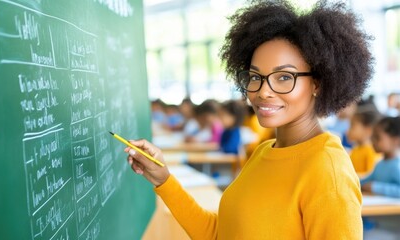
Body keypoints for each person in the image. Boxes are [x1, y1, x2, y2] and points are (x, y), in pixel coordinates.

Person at [125, 1, 372, 239]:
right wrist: (164, 180)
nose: (262, 91)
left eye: (284, 77)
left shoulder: (328, 170)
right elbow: (219, 234)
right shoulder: (264, 151)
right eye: (255, 77)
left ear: (317, 82)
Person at [361, 116, 400, 198]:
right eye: (372, 137)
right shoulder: (380, 164)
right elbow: (367, 180)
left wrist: (375, 187)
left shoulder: (396, 166)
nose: (372, 141)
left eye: (377, 137)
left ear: (396, 140)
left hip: (392, 210)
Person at [347, 107, 381, 175]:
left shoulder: (372, 152)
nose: (348, 131)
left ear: (368, 130)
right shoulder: (356, 149)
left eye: (352, 126)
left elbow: (370, 177)